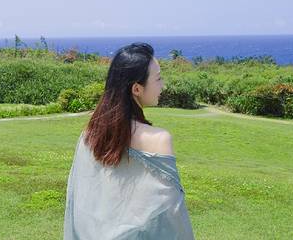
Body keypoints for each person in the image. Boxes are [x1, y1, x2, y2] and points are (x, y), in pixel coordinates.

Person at [63, 42, 195, 240]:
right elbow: (171, 218)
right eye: (158, 78)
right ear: (137, 89)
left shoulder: (90, 134)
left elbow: (80, 201)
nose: (163, 85)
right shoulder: (158, 139)